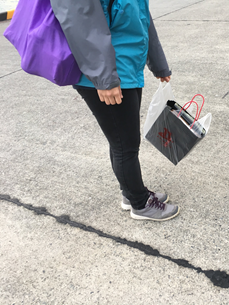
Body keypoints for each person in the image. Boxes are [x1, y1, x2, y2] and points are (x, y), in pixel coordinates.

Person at [50, 0, 179, 221]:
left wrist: (158, 64)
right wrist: (104, 78)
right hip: (105, 73)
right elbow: (80, 23)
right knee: (125, 144)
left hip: (127, 67)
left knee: (123, 140)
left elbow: (143, 15)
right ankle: (139, 203)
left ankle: (131, 193)